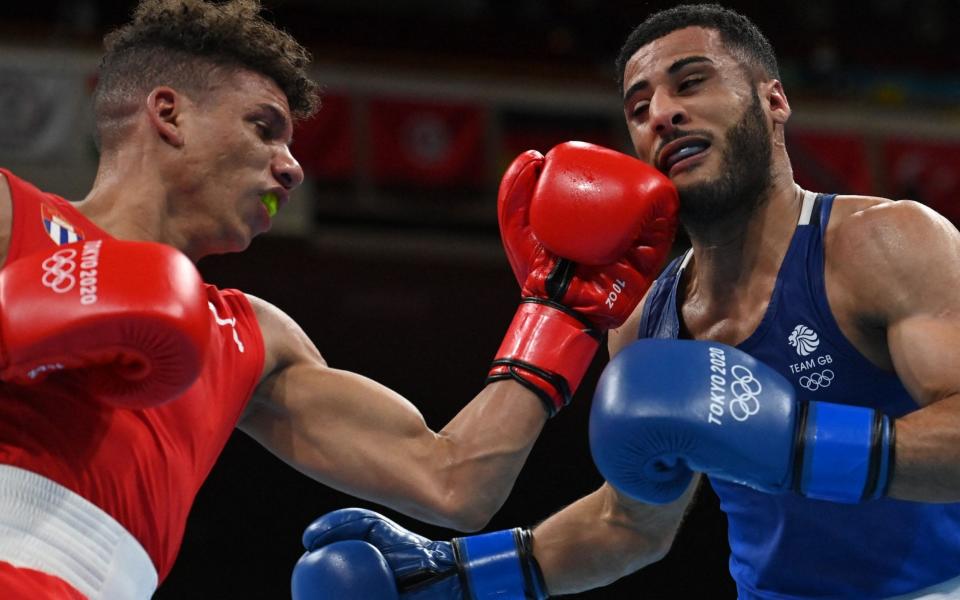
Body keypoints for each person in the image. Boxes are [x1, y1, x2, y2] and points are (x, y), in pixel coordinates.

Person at [0, 1, 682, 598]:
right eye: (264, 128)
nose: (292, 165)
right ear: (169, 114)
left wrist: (560, 311)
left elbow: (453, 481)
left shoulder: (252, 338)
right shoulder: (13, 216)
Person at [295, 4, 960, 599]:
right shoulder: (648, 322)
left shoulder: (883, 243)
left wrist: (801, 446)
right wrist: (457, 572)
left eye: (691, 83)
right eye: (638, 108)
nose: (662, 113)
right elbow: (631, 526)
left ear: (774, 101)